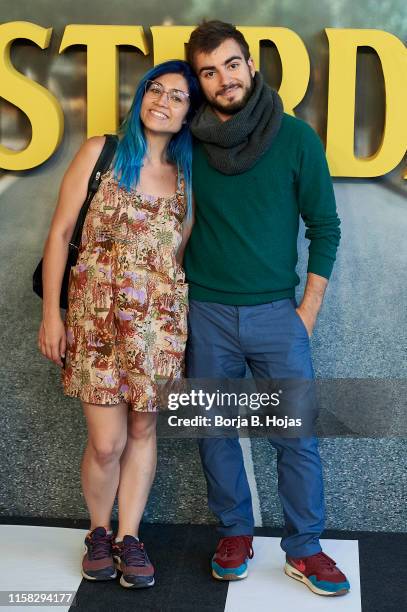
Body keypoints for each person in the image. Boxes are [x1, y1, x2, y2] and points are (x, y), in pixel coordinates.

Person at [184, 21, 350, 597]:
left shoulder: (297, 138)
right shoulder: (187, 141)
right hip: (205, 311)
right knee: (214, 431)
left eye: (231, 65)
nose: (223, 79)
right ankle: (235, 532)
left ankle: (304, 548)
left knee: (296, 437)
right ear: (199, 80)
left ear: (251, 65)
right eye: (209, 71)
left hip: (277, 315)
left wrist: (306, 310)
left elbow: (325, 228)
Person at [38, 60, 200, 589]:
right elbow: (62, 233)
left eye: (178, 97)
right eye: (157, 89)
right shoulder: (101, 152)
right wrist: (52, 315)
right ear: (142, 98)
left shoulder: (187, 177)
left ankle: (131, 537)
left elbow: (177, 254)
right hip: (95, 321)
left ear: (187, 114)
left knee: (142, 429)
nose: (164, 101)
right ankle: (99, 531)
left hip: (158, 327)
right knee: (106, 442)